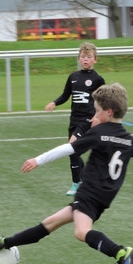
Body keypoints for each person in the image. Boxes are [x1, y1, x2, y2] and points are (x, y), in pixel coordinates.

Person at [0, 82, 133, 264]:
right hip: (103, 197)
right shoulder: (128, 139)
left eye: (97, 112)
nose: (93, 116)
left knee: (81, 232)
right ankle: (4, 243)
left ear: (108, 112)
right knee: (49, 224)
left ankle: (122, 252)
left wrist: (38, 160)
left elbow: (68, 148)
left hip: (89, 193)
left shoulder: (99, 133)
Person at [44, 42, 105, 196]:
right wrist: (54, 103)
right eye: (83, 57)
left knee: (71, 147)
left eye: (89, 57)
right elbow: (65, 95)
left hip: (87, 120)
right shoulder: (73, 77)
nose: (85, 59)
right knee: (73, 152)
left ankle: (76, 184)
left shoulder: (97, 79)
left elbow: (103, 100)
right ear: (79, 59)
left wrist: (97, 116)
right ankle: (86, 180)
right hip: (74, 120)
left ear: (95, 59)